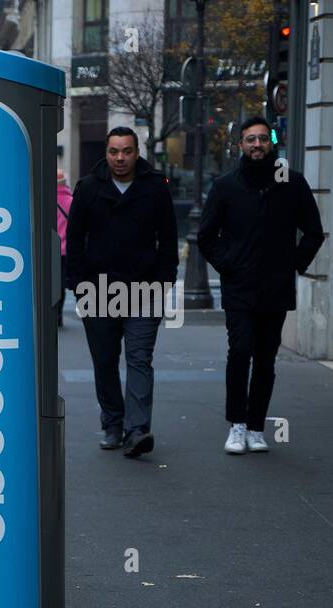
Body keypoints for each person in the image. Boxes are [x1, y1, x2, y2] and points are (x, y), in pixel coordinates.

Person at [198, 116, 324, 455]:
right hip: (239, 287)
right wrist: (227, 266)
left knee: (266, 360)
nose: (257, 145)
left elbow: (314, 232)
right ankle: (236, 425)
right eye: (250, 140)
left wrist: (294, 265)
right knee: (240, 352)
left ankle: (256, 427)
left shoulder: (291, 184)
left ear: (272, 144)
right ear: (240, 145)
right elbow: (206, 237)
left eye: (262, 140)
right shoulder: (226, 186)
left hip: (275, 288)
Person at [65, 126, 178, 458]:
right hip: (97, 290)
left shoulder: (155, 187)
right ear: (106, 152)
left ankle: (137, 429)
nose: (119, 158)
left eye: (126, 151)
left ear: (136, 152)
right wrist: (79, 285)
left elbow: (169, 238)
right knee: (104, 361)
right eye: (114, 151)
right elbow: (74, 241)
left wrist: (164, 281)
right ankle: (113, 424)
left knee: (140, 359)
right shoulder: (88, 188)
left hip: (144, 288)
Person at [56, 169, 73, 327]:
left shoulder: (45, 201)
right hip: (66, 250)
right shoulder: (71, 201)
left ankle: (51, 312)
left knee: (49, 282)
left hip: (50, 249)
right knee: (61, 283)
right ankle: (59, 313)